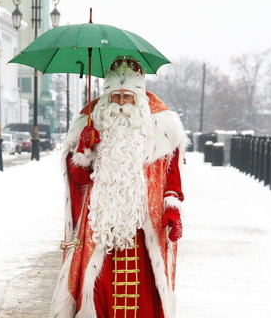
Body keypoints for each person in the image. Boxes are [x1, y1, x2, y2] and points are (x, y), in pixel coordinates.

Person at [50, 56, 189, 318]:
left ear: (139, 97)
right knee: (97, 293)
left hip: (143, 227)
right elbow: (78, 179)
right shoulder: (91, 121)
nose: (122, 104)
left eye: (127, 96)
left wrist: (173, 209)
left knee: (145, 298)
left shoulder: (162, 126)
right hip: (100, 227)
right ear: (107, 97)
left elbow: (172, 176)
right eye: (116, 97)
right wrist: (84, 148)